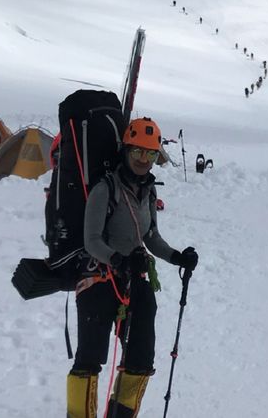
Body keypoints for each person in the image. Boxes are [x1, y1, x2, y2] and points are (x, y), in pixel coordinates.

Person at [66, 117, 199, 418]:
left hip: (134, 277)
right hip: (98, 278)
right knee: (89, 360)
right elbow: (91, 240)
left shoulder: (148, 191)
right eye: (138, 151)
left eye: (150, 154)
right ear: (125, 150)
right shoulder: (105, 189)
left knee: (140, 357)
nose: (143, 160)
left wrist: (177, 257)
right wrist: (119, 260)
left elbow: (150, 235)